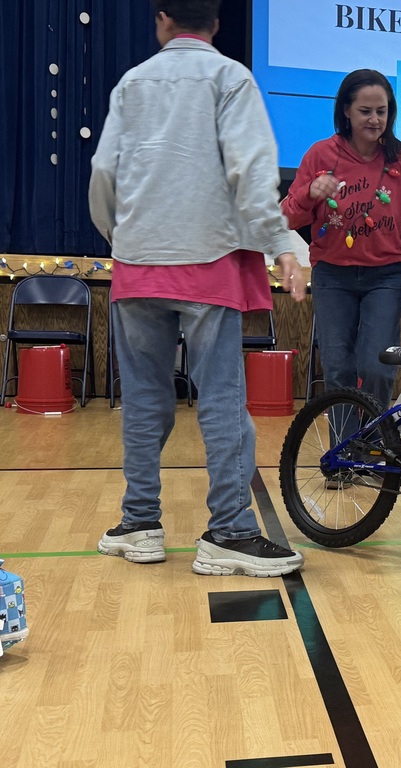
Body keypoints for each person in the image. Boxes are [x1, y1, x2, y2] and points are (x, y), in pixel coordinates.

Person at [89, 0, 306, 576]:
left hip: (137, 264)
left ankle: (139, 524)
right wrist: (281, 244)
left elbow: (103, 174)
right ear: (215, 24)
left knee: (142, 400)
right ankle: (230, 531)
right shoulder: (231, 78)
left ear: (161, 19)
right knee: (220, 400)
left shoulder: (132, 83)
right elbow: (251, 170)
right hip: (208, 260)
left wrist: (125, 237)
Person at [282, 69, 401, 413]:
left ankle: (375, 452)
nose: (375, 119)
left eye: (381, 111)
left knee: (377, 368)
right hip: (333, 277)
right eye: (365, 111)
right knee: (338, 372)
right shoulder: (321, 155)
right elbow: (288, 216)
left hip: (386, 276)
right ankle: (346, 462)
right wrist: (309, 193)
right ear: (346, 111)